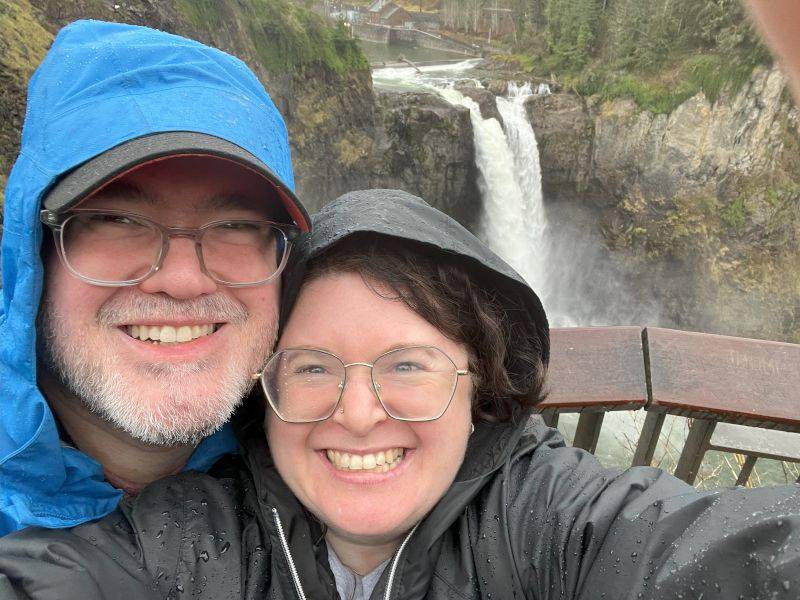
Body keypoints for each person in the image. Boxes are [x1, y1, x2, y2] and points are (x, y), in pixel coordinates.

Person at [0, 189, 797, 599]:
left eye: (409, 366)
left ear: (479, 385)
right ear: (264, 392)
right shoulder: (188, 537)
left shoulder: (546, 522)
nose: (357, 414)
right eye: (312, 368)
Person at [0, 20, 310, 536]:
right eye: (117, 220)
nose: (183, 280)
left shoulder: (337, 484)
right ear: (35, 254)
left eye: (235, 226)